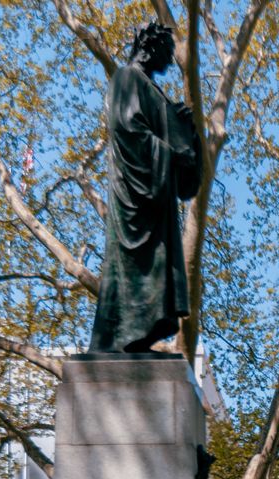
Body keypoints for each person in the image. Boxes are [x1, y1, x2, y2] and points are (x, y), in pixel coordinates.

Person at [88, 21, 202, 354]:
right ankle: (124, 336)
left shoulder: (152, 88)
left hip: (157, 205)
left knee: (157, 275)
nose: (169, 65)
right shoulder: (126, 77)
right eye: (167, 55)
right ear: (149, 47)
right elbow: (128, 129)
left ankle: (136, 338)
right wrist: (171, 151)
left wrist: (184, 129)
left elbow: (187, 182)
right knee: (135, 269)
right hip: (136, 200)